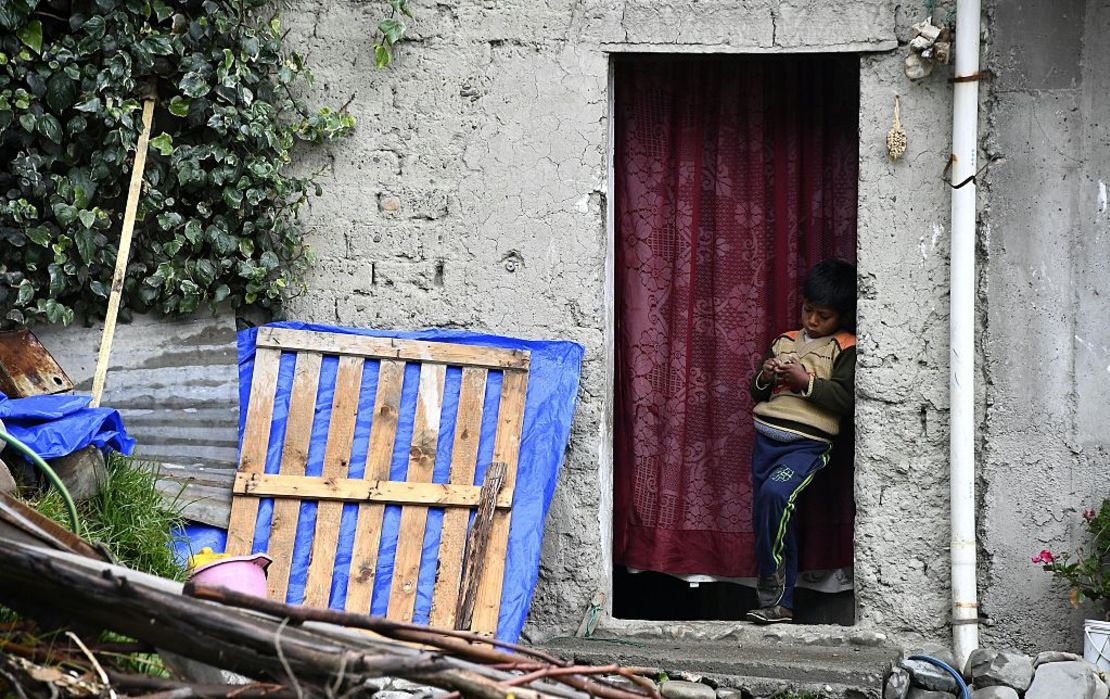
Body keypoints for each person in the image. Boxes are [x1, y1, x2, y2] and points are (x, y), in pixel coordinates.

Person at [744, 259, 857, 625]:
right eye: (808, 310)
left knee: (777, 497)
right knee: (772, 514)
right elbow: (755, 391)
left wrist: (804, 381)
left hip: (807, 445)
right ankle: (780, 603)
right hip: (766, 439)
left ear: (840, 317)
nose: (811, 321)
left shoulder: (845, 348)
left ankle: (771, 590)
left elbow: (846, 398)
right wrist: (767, 374)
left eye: (822, 316)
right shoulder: (784, 341)